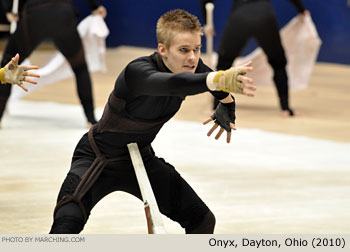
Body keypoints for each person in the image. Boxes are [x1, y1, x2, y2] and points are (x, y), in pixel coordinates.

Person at [49, 9, 256, 234]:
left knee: (202, 220)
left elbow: (207, 82)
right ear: (162, 49)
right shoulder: (136, 72)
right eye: (184, 50)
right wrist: (215, 80)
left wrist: (227, 102)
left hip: (140, 158)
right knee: (65, 225)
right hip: (97, 158)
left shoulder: (193, 68)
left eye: (197, 49)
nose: (193, 58)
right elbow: (174, 83)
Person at [0, 0, 107, 128]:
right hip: (63, 13)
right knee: (80, 68)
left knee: (7, 68)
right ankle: (91, 120)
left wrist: (9, 10)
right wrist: (95, 6)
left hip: (35, 13)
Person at [199, 0, 309, 116]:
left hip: (240, 17)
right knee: (278, 63)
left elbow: (205, 1)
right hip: (265, 17)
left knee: (223, 65)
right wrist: (301, 10)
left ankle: (216, 108)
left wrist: (207, 23)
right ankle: (286, 109)